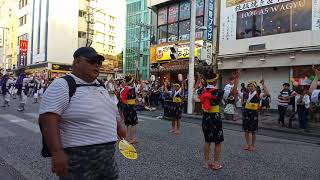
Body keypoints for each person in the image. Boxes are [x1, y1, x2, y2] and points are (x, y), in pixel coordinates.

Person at [38, 47, 126, 180]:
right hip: (78, 157)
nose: (96, 65)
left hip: (107, 159)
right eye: (92, 62)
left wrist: (119, 127)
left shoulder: (100, 86)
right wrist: (57, 153)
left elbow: (110, 111)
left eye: (99, 63)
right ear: (77, 63)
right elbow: (48, 118)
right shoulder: (63, 84)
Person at [198, 70, 240, 170]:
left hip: (206, 117)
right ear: (216, 81)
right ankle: (216, 163)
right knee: (218, 141)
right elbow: (233, 93)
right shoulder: (219, 92)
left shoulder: (202, 91)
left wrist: (199, 80)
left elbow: (196, 94)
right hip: (215, 117)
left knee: (207, 141)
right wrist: (236, 79)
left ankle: (206, 163)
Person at [242, 79, 270, 151]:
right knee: (246, 130)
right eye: (249, 86)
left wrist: (263, 84)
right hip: (246, 113)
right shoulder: (245, 94)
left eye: (252, 86)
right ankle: (248, 144)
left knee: (252, 131)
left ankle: (252, 145)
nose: (250, 87)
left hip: (253, 114)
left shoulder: (258, 94)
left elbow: (267, 93)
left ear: (255, 87)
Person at [121, 75, 139, 144]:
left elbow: (122, 99)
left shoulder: (124, 89)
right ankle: (133, 138)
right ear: (131, 82)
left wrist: (127, 104)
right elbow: (136, 98)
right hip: (132, 107)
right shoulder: (133, 89)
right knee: (133, 123)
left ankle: (125, 138)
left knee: (126, 124)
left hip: (126, 107)